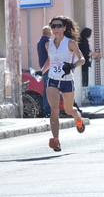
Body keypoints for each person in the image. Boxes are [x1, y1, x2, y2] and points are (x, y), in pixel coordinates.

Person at [40, 16, 86, 152]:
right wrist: (41, 72)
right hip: (53, 79)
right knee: (54, 109)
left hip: (67, 81)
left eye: (59, 26)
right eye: (53, 26)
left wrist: (72, 65)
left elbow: (82, 59)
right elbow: (50, 62)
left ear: (64, 27)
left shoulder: (70, 43)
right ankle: (56, 140)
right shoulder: (48, 44)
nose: (56, 29)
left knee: (68, 109)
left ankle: (77, 118)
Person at [37, 25, 52, 117]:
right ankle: (48, 111)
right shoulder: (48, 42)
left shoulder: (39, 41)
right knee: (49, 90)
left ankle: (46, 110)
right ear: (50, 33)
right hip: (48, 68)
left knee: (46, 89)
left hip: (43, 67)